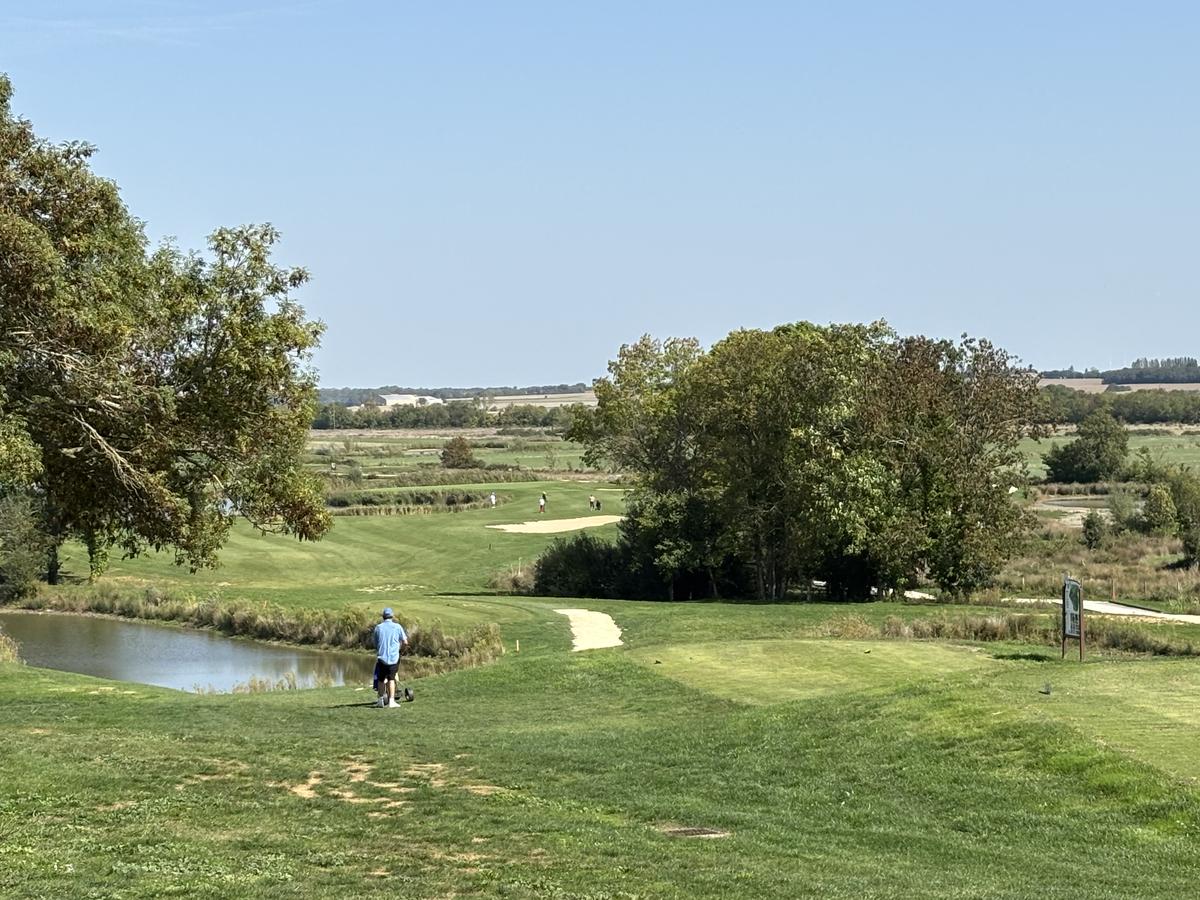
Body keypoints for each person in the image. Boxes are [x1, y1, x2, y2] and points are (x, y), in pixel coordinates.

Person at [372, 607, 408, 708]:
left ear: (383, 617)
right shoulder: (397, 627)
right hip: (394, 658)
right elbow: (405, 642)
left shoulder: (378, 628)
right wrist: (401, 651)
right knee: (391, 679)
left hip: (382, 658)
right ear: (392, 616)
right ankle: (391, 701)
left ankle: (380, 701)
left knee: (381, 679)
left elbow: (375, 642)